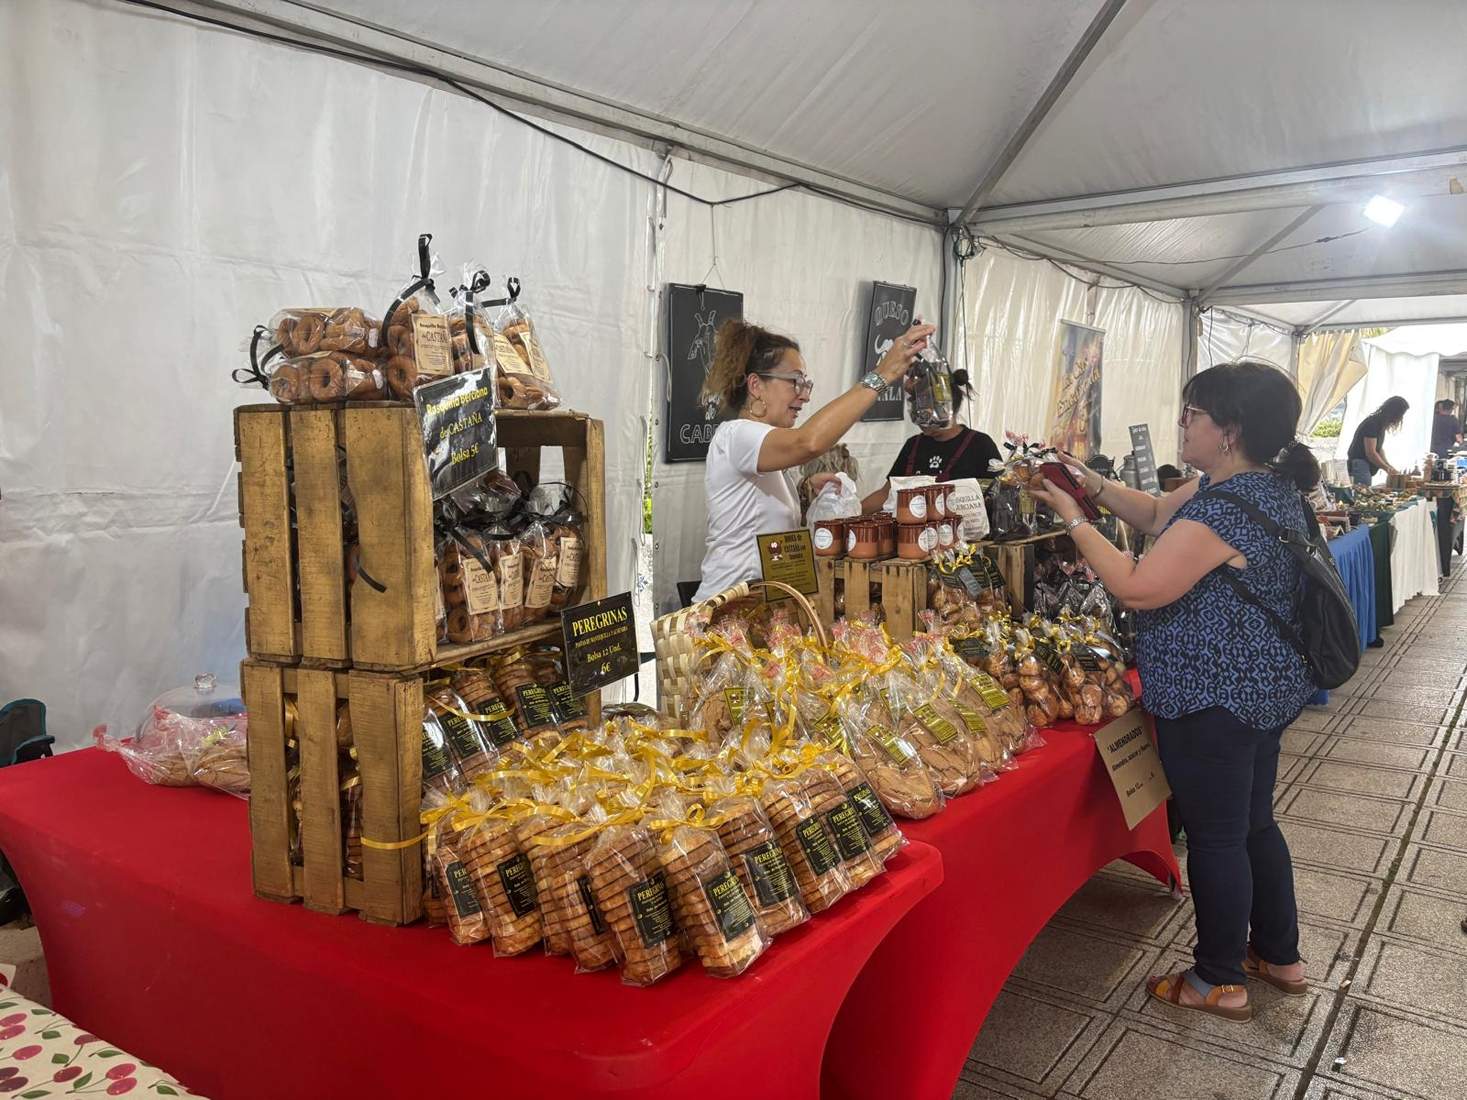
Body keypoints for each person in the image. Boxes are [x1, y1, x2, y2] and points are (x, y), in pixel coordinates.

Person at [1028, 360, 1318, 1023]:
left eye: (1193, 414)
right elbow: (1158, 512)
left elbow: (1136, 586)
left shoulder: (1224, 510)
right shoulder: (1254, 484)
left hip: (1213, 697)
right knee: (1253, 823)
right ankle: (1279, 956)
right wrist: (1091, 484)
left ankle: (1217, 978)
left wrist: (1074, 518)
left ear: (1229, 430)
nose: (1182, 423)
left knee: (1217, 838)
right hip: (1259, 687)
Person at [692, 317, 933, 601]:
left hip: (764, 603)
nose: (804, 396)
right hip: (730, 607)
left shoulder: (765, 443)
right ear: (756, 385)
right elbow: (809, 442)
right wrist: (882, 374)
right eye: (795, 382)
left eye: (806, 384)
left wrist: (804, 488)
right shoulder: (737, 435)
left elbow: (753, 506)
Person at [858, 369, 1002, 512]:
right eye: (917, 410)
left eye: (927, 411)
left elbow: (998, 495)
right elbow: (886, 494)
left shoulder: (980, 444)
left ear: (947, 408)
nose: (921, 419)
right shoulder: (913, 445)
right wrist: (853, 513)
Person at [1346, 396, 1409, 485]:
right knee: (1363, 491)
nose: (1401, 418)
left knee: (1366, 490)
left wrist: (1389, 466)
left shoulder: (1380, 423)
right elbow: (1371, 453)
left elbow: (1378, 449)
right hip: (1360, 464)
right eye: (1401, 415)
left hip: (1364, 465)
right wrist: (1387, 468)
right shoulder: (1372, 423)